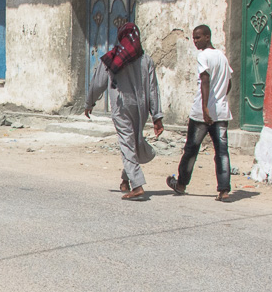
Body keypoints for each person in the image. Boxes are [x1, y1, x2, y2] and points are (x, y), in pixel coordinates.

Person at [84, 22, 164, 200]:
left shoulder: (113, 57)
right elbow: (153, 89)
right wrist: (156, 116)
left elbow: (98, 83)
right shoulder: (146, 60)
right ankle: (125, 180)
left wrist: (89, 102)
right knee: (132, 142)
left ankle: (137, 185)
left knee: (128, 143)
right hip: (141, 108)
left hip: (121, 107)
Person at [168, 25, 234, 202]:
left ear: (207, 37)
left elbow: (205, 80)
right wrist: (219, 98)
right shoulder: (222, 56)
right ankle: (224, 190)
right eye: (194, 38)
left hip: (202, 114)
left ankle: (181, 184)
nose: (195, 41)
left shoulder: (203, 56)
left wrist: (205, 107)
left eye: (198, 38)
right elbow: (229, 83)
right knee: (222, 151)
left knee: (191, 149)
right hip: (221, 112)